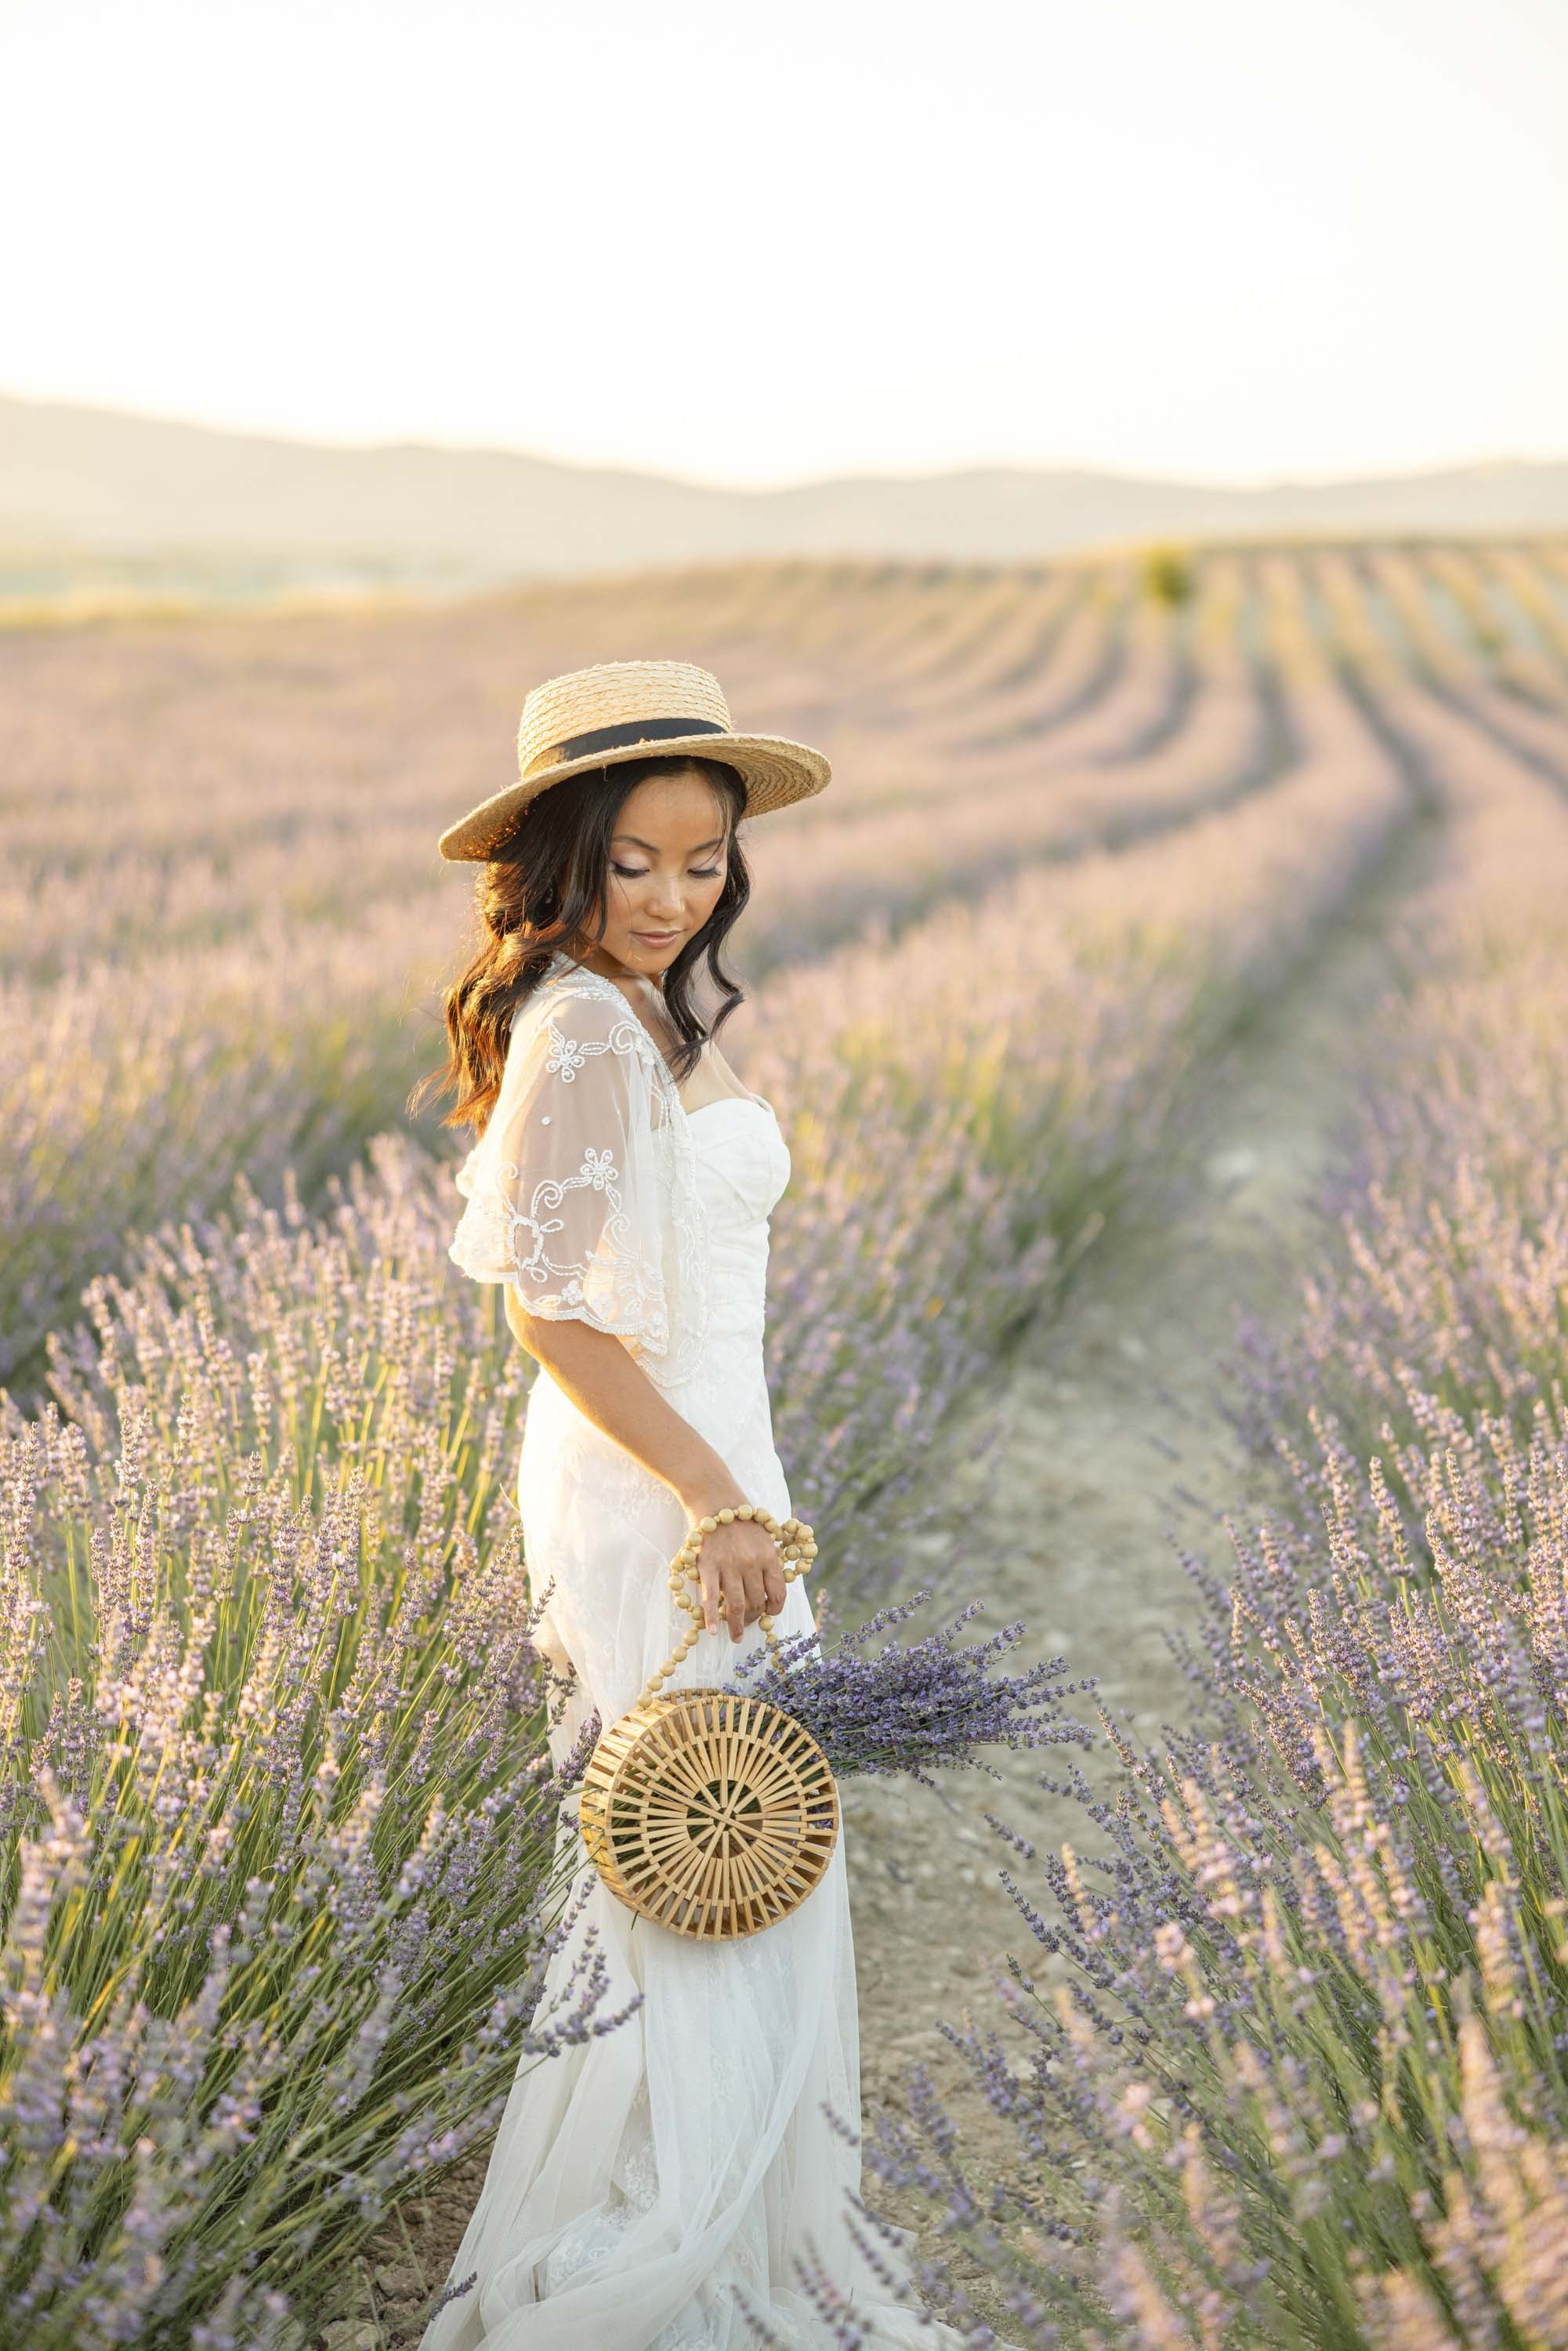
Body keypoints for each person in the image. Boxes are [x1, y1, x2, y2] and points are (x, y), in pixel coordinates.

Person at [415, 662, 960, 2350]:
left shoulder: (639, 1012)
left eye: (700, 861)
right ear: (559, 863)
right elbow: (551, 1314)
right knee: (698, 1830)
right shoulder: (579, 1022)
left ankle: (711, 2204)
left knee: (723, 1830)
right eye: (630, 861)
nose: (666, 896)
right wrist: (718, 1501)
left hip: (708, 1453)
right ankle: (673, 2239)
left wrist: (735, 1480)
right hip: (663, 1478)